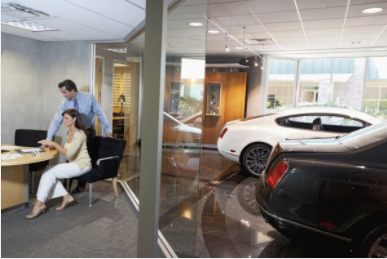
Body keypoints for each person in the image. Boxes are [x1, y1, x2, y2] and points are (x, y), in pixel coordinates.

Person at [47, 79, 112, 194]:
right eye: (62, 92)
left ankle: (81, 185)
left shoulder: (89, 98)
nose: (63, 95)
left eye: (64, 92)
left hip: (88, 132)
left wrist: (108, 130)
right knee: (69, 157)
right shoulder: (65, 103)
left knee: (83, 158)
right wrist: (49, 138)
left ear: (72, 90)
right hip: (73, 132)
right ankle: (66, 186)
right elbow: (56, 121)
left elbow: (99, 112)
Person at [26, 109, 91, 219]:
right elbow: (67, 150)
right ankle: (66, 197)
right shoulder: (70, 132)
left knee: (49, 173)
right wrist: (51, 146)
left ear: (74, 119)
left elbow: (69, 154)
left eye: (66, 118)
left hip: (82, 165)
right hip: (74, 163)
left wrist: (54, 144)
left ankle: (39, 203)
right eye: (63, 118)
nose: (64, 121)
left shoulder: (79, 134)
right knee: (48, 170)